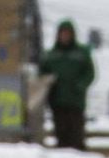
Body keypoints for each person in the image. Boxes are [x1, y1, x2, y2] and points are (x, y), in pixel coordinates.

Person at [39, 21, 95, 151]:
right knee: (61, 132)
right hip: (57, 101)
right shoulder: (51, 55)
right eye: (62, 34)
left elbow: (90, 73)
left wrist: (81, 85)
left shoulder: (82, 54)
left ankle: (78, 156)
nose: (65, 36)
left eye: (67, 34)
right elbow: (43, 74)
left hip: (76, 101)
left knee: (76, 133)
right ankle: (62, 155)